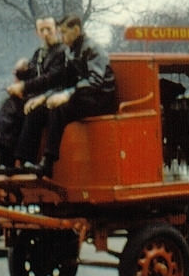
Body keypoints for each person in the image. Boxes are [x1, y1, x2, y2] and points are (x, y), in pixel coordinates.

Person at [14, 14, 117, 178]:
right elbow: (63, 80)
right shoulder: (70, 51)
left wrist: (67, 95)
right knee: (38, 109)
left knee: (59, 109)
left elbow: (95, 82)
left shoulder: (93, 49)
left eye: (64, 32)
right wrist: (45, 97)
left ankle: (48, 163)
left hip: (99, 98)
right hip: (81, 95)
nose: (61, 37)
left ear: (76, 30)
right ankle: (25, 161)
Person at [0, 16, 68, 173]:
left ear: (56, 29)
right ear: (37, 33)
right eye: (42, 30)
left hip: (54, 95)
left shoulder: (62, 53)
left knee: (32, 110)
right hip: (37, 95)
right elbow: (33, 75)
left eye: (49, 29)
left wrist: (23, 86)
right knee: (10, 103)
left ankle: (24, 160)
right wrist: (22, 72)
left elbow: (51, 79)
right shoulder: (40, 53)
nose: (46, 33)